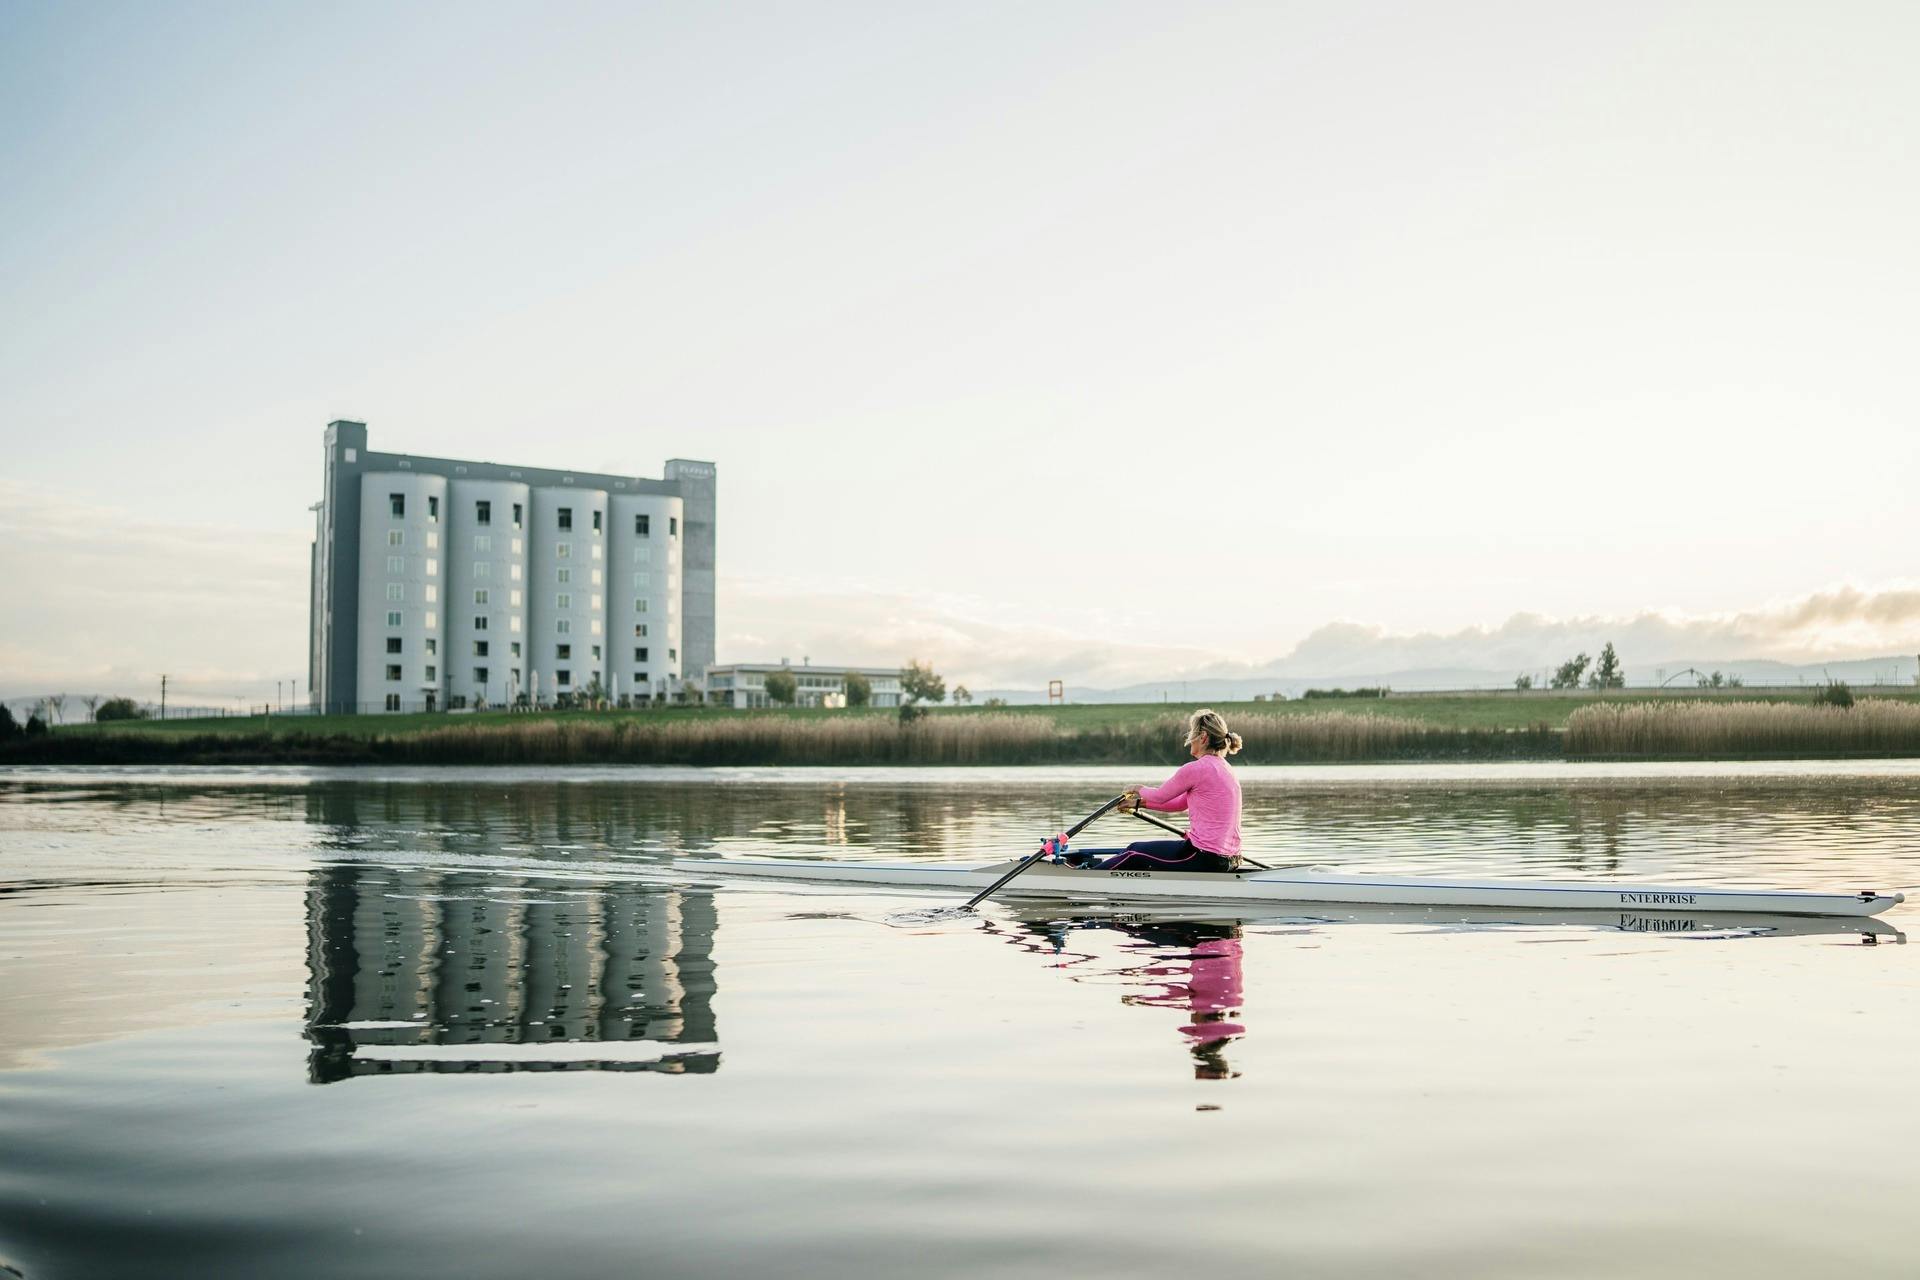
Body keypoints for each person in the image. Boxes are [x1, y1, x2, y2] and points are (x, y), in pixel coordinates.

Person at [1072, 709, 1244, 872]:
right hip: (1232, 859)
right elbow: (1179, 804)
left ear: (1203, 737)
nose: (1189, 739)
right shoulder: (1227, 769)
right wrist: (1137, 803)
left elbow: (1161, 796)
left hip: (1204, 857)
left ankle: (1087, 878)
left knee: (1134, 851)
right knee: (1139, 854)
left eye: (1191, 733)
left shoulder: (1196, 769)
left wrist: (1137, 789)